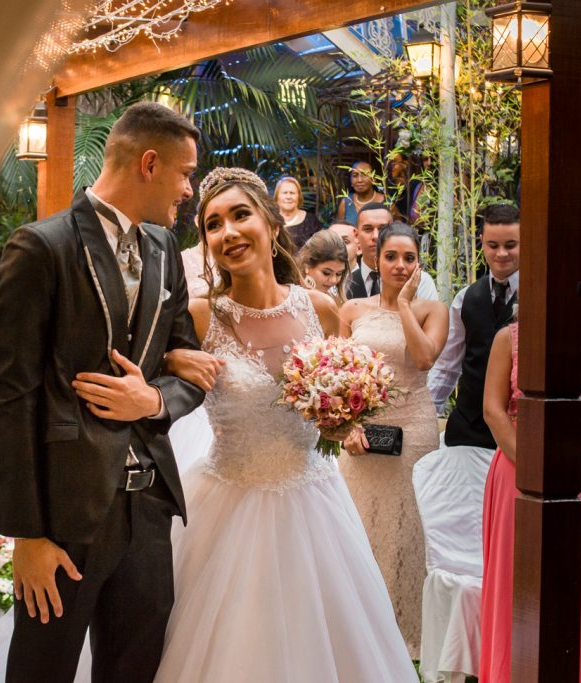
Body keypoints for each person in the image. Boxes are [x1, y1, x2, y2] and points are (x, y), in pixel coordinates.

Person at [155, 167, 417, 681]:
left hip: (314, 503)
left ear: (272, 226)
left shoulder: (320, 306)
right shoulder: (201, 316)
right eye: (212, 224)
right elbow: (156, 377)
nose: (227, 232)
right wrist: (173, 361)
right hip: (227, 501)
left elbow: (339, 399)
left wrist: (344, 419)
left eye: (240, 215)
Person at [0, 101, 206, 683]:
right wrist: (27, 535)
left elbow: (189, 371)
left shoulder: (164, 254)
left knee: (136, 669)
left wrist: (154, 401)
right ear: (150, 164)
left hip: (148, 507)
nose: (189, 190)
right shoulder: (42, 248)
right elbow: (12, 401)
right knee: (42, 670)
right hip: (65, 517)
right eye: (186, 173)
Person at [338, 222, 449, 656]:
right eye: (391, 257)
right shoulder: (350, 310)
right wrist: (344, 427)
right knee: (361, 530)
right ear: (376, 258)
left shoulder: (431, 310)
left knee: (409, 534)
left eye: (408, 257)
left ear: (418, 261)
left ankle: (410, 640)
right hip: (363, 434)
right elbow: (337, 378)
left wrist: (403, 304)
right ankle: (358, 637)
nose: (400, 265)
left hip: (414, 433)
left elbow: (423, 359)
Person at [478, 322, 581, 682]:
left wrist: (567, 460)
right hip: (515, 468)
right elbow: (493, 410)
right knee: (517, 575)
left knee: (577, 576)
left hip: (580, 470)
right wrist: (530, 467)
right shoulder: (507, 338)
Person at [428, 203, 520, 448]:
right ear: (481, 241)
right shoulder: (465, 298)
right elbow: (448, 366)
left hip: (518, 433)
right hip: (468, 431)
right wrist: (427, 417)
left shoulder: (541, 298)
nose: (501, 254)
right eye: (493, 245)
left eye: (510, 245)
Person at [346, 203, 438, 301]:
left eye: (382, 229)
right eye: (368, 229)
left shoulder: (420, 281)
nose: (376, 236)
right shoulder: (345, 282)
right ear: (356, 235)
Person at [297, 228, 351, 307]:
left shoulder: (336, 300)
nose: (333, 280)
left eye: (339, 274)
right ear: (307, 266)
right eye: (326, 273)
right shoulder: (290, 297)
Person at [273, 175, 321, 248]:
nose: (288, 197)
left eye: (292, 193)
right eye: (285, 193)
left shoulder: (311, 221)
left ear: (299, 197)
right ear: (277, 197)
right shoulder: (270, 220)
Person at [335, 160, 386, 225]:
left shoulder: (386, 202)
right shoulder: (345, 203)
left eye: (365, 175)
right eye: (355, 175)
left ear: (373, 179)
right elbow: (339, 230)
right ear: (351, 181)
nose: (360, 180)